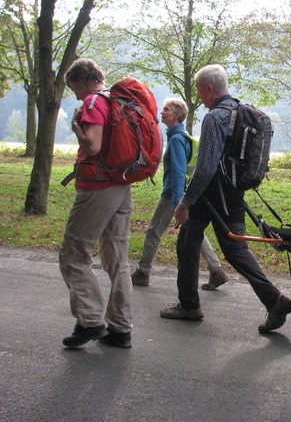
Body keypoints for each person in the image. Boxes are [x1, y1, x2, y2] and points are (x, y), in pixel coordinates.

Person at [161, 64, 291, 333]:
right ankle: (273, 300)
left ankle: (189, 304)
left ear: (209, 89)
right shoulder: (239, 111)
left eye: (199, 90)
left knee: (190, 244)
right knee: (231, 250)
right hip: (233, 193)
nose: (198, 96)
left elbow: (207, 166)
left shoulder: (214, 118)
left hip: (211, 194)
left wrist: (185, 201)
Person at [59, 58, 133, 349]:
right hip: (121, 184)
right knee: (117, 259)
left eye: (74, 88)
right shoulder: (116, 101)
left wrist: (78, 125)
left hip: (98, 188)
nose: (75, 95)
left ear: (81, 81)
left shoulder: (93, 102)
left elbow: (93, 145)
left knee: (73, 253)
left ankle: (90, 321)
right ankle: (120, 328)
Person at [130, 98, 228, 290]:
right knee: (192, 230)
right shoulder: (183, 137)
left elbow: (178, 172)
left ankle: (142, 272)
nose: (162, 112)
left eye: (166, 110)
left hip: (172, 195)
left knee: (153, 232)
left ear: (177, 115)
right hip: (182, 194)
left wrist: (177, 203)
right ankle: (216, 270)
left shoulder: (176, 139)